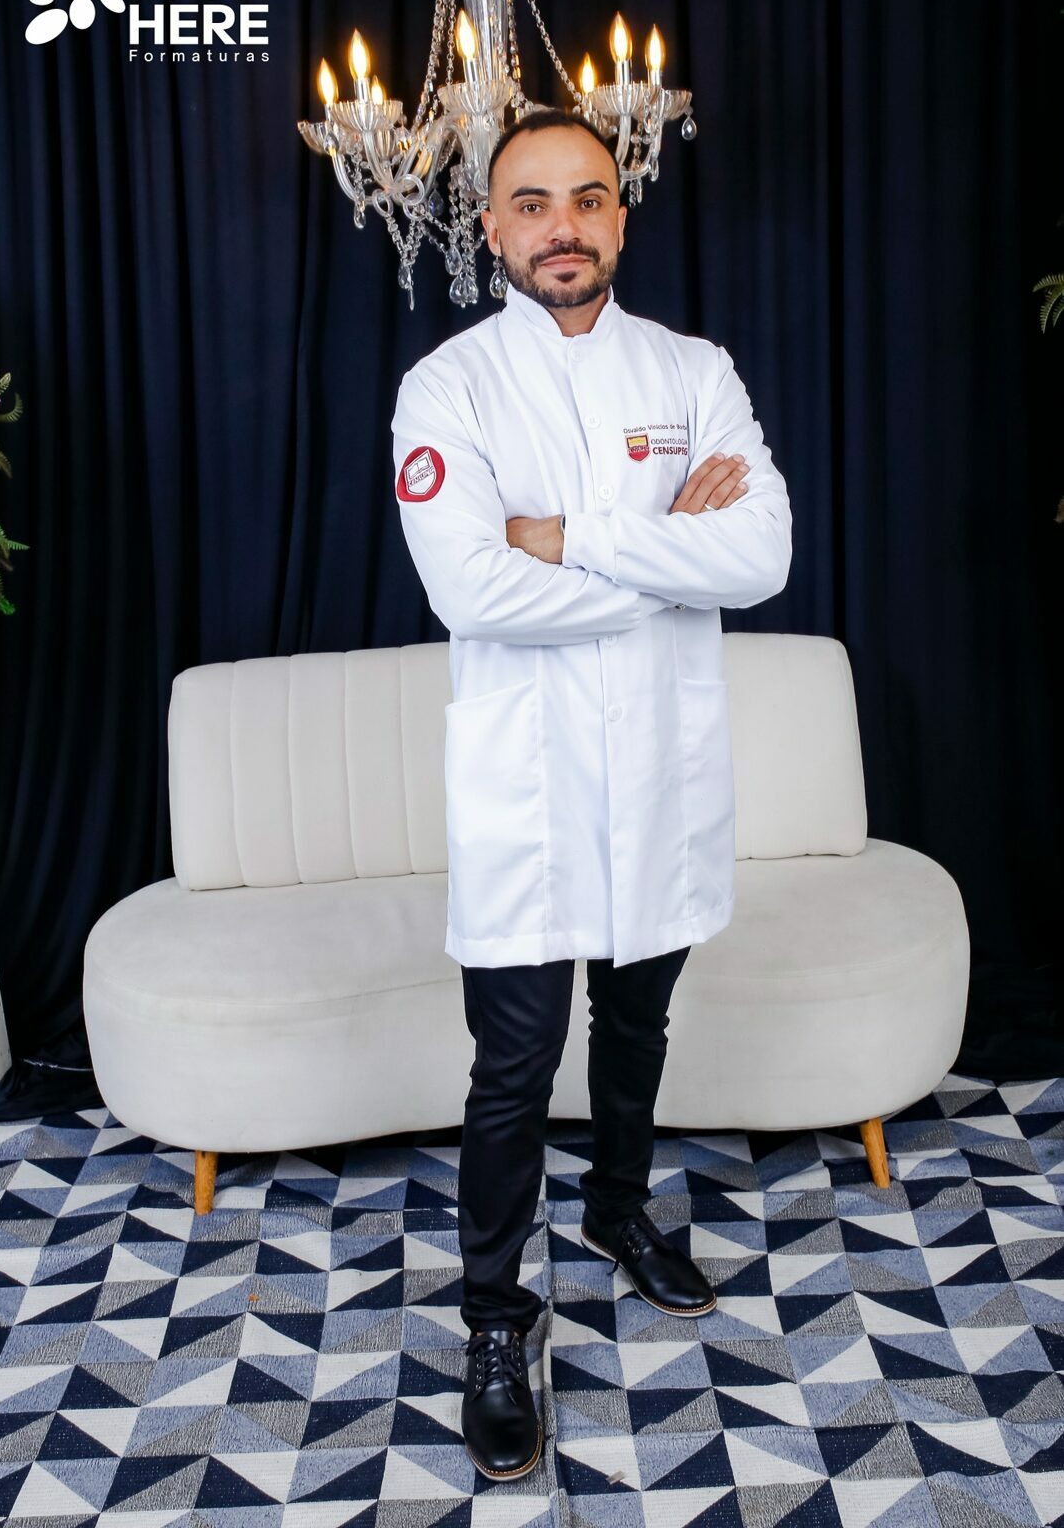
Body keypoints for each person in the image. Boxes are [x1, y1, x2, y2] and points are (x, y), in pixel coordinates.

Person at [391, 108, 792, 1480]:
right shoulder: (448, 389)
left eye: (588, 198)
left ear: (620, 214)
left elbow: (762, 556)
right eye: (532, 203)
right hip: (529, 786)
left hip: (662, 772)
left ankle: (620, 1209)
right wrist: (668, 552)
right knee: (512, 1066)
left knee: (638, 1021)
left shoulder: (694, 369)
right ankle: (496, 1321)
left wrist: (562, 539)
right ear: (491, 227)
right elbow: (470, 588)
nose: (562, 226)